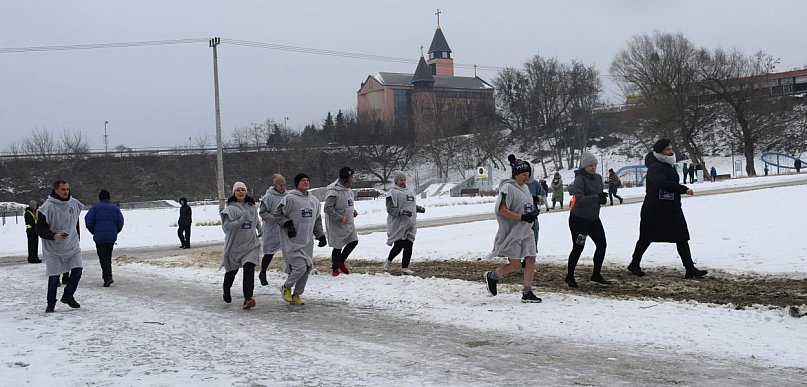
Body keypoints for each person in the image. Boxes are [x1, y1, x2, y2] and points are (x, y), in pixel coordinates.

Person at [627, 139, 708, 279]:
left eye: (671, 149)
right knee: (646, 237)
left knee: (681, 237)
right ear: (660, 152)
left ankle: (690, 268)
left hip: (672, 209)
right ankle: (634, 263)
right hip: (655, 210)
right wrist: (683, 189)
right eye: (668, 150)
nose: (671, 152)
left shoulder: (668, 165)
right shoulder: (655, 167)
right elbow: (662, 183)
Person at [483, 154, 542, 303]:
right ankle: (493, 276)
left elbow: (525, 205)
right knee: (515, 265)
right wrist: (522, 217)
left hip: (527, 231)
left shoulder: (526, 188)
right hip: (514, 232)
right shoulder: (508, 187)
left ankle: (527, 292)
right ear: (515, 174)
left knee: (531, 259)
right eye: (523, 175)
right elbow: (502, 210)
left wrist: (533, 209)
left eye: (528, 175)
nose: (526, 178)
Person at [274, 173, 327, 305]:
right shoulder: (289, 198)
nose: (305, 182)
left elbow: (317, 220)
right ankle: (286, 287)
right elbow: (277, 214)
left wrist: (320, 235)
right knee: (300, 268)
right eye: (302, 180)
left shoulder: (314, 201)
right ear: (297, 184)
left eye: (307, 180)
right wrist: (286, 223)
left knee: (307, 268)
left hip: (307, 241)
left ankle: (297, 294)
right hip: (292, 241)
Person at [35, 179, 84, 313]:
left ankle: (68, 296)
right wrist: (53, 235)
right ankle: (51, 303)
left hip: (72, 245)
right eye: (63, 189)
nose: (66, 192)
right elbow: (39, 229)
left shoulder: (74, 204)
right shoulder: (47, 207)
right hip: (53, 248)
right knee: (54, 277)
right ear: (56, 190)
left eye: (67, 189)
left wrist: (77, 237)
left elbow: (75, 223)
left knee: (78, 270)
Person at [565, 151, 610, 288]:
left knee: (602, 244)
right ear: (584, 166)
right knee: (578, 247)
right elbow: (580, 199)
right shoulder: (580, 179)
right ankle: (570, 276)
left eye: (595, 165)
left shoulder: (598, 178)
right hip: (579, 219)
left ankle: (596, 274)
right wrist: (597, 197)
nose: (593, 167)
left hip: (593, 218)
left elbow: (597, 196)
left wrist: (602, 198)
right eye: (590, 165)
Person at [220, 182, 261, 309]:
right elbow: (226, 227)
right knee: (232, 271)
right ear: (234, 193)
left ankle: (248, 298)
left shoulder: (252, 206)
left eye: (243, 189)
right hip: (235, 246)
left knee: (249, 269)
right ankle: (226, 289)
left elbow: (255, 221)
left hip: (251, 245)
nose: (241, 192)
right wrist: (240, 221)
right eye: (237, 190)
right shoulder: (230, 209)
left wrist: (260, 228)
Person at [383, 171, 425, 275]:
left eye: (404, 179)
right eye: (400, 180)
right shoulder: (392, 192)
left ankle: (405, 267)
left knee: (409, 245)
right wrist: (402, 212)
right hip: (399, 224)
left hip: (410, 223)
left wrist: (418, 208)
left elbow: (410, 206)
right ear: (396, 181)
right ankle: (388, 261)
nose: (403, 182)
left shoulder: (409, 191)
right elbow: (390, 209)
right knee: (399, 245)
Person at [84, 189, 124, 287]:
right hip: (111, 237)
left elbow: (88, 221)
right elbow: (120, 222)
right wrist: (114, 231)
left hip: (99, 237)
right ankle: (108, 275)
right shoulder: (115, 208)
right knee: (108, 256)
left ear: (99, 198)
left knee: (103, 258)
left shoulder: (95, 208)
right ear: (109, 198)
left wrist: (94, 231)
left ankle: (107, 277)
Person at [324, 166, 359, 277]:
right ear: (345, 178)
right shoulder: (333, 191)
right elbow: (328, 208)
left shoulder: (349, 190)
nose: (353, 180)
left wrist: (353, 211)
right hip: (337, 223)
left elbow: (348, 203)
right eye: (351, 177)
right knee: (337, 246)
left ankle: (341, 261)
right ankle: (335, 268)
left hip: (349, 222)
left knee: (353, 241)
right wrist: (340, 217)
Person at [257, 174, 287, 286]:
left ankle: (290, 271)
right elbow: (262, 212)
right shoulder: (268, 197)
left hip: (284, 228)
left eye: (284, 185)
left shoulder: (287, 195)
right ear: (275, 185)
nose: (283, 187)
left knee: (288, 251)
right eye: (280, 185)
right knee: (269, 252)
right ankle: (263, 272)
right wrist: (275, 219)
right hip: (272, 228)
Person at [525, 176, 546, 250]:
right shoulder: (514, 184)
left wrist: (537, 198)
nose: (525, 176)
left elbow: (543, 197)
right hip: (518, 217)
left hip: (532, 215)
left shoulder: (534, 183)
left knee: (534, 232)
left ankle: (531, 255)